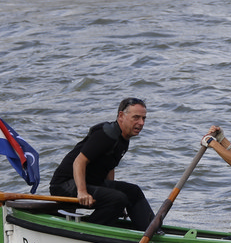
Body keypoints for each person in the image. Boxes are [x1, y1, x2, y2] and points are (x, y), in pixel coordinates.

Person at [49, 97, 154, 230]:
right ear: (121, 116)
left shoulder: (124, 138)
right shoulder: (106, 135)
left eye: (144, 118)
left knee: (133, 192)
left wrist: (114, 200)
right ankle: (86, 232)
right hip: (64, 185)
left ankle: (151, 231)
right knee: (118, 199)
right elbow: (79, 162)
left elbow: (109, 167)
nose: (141, 123)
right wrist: (82, 192)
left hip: (91, 183)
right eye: (136, 117)